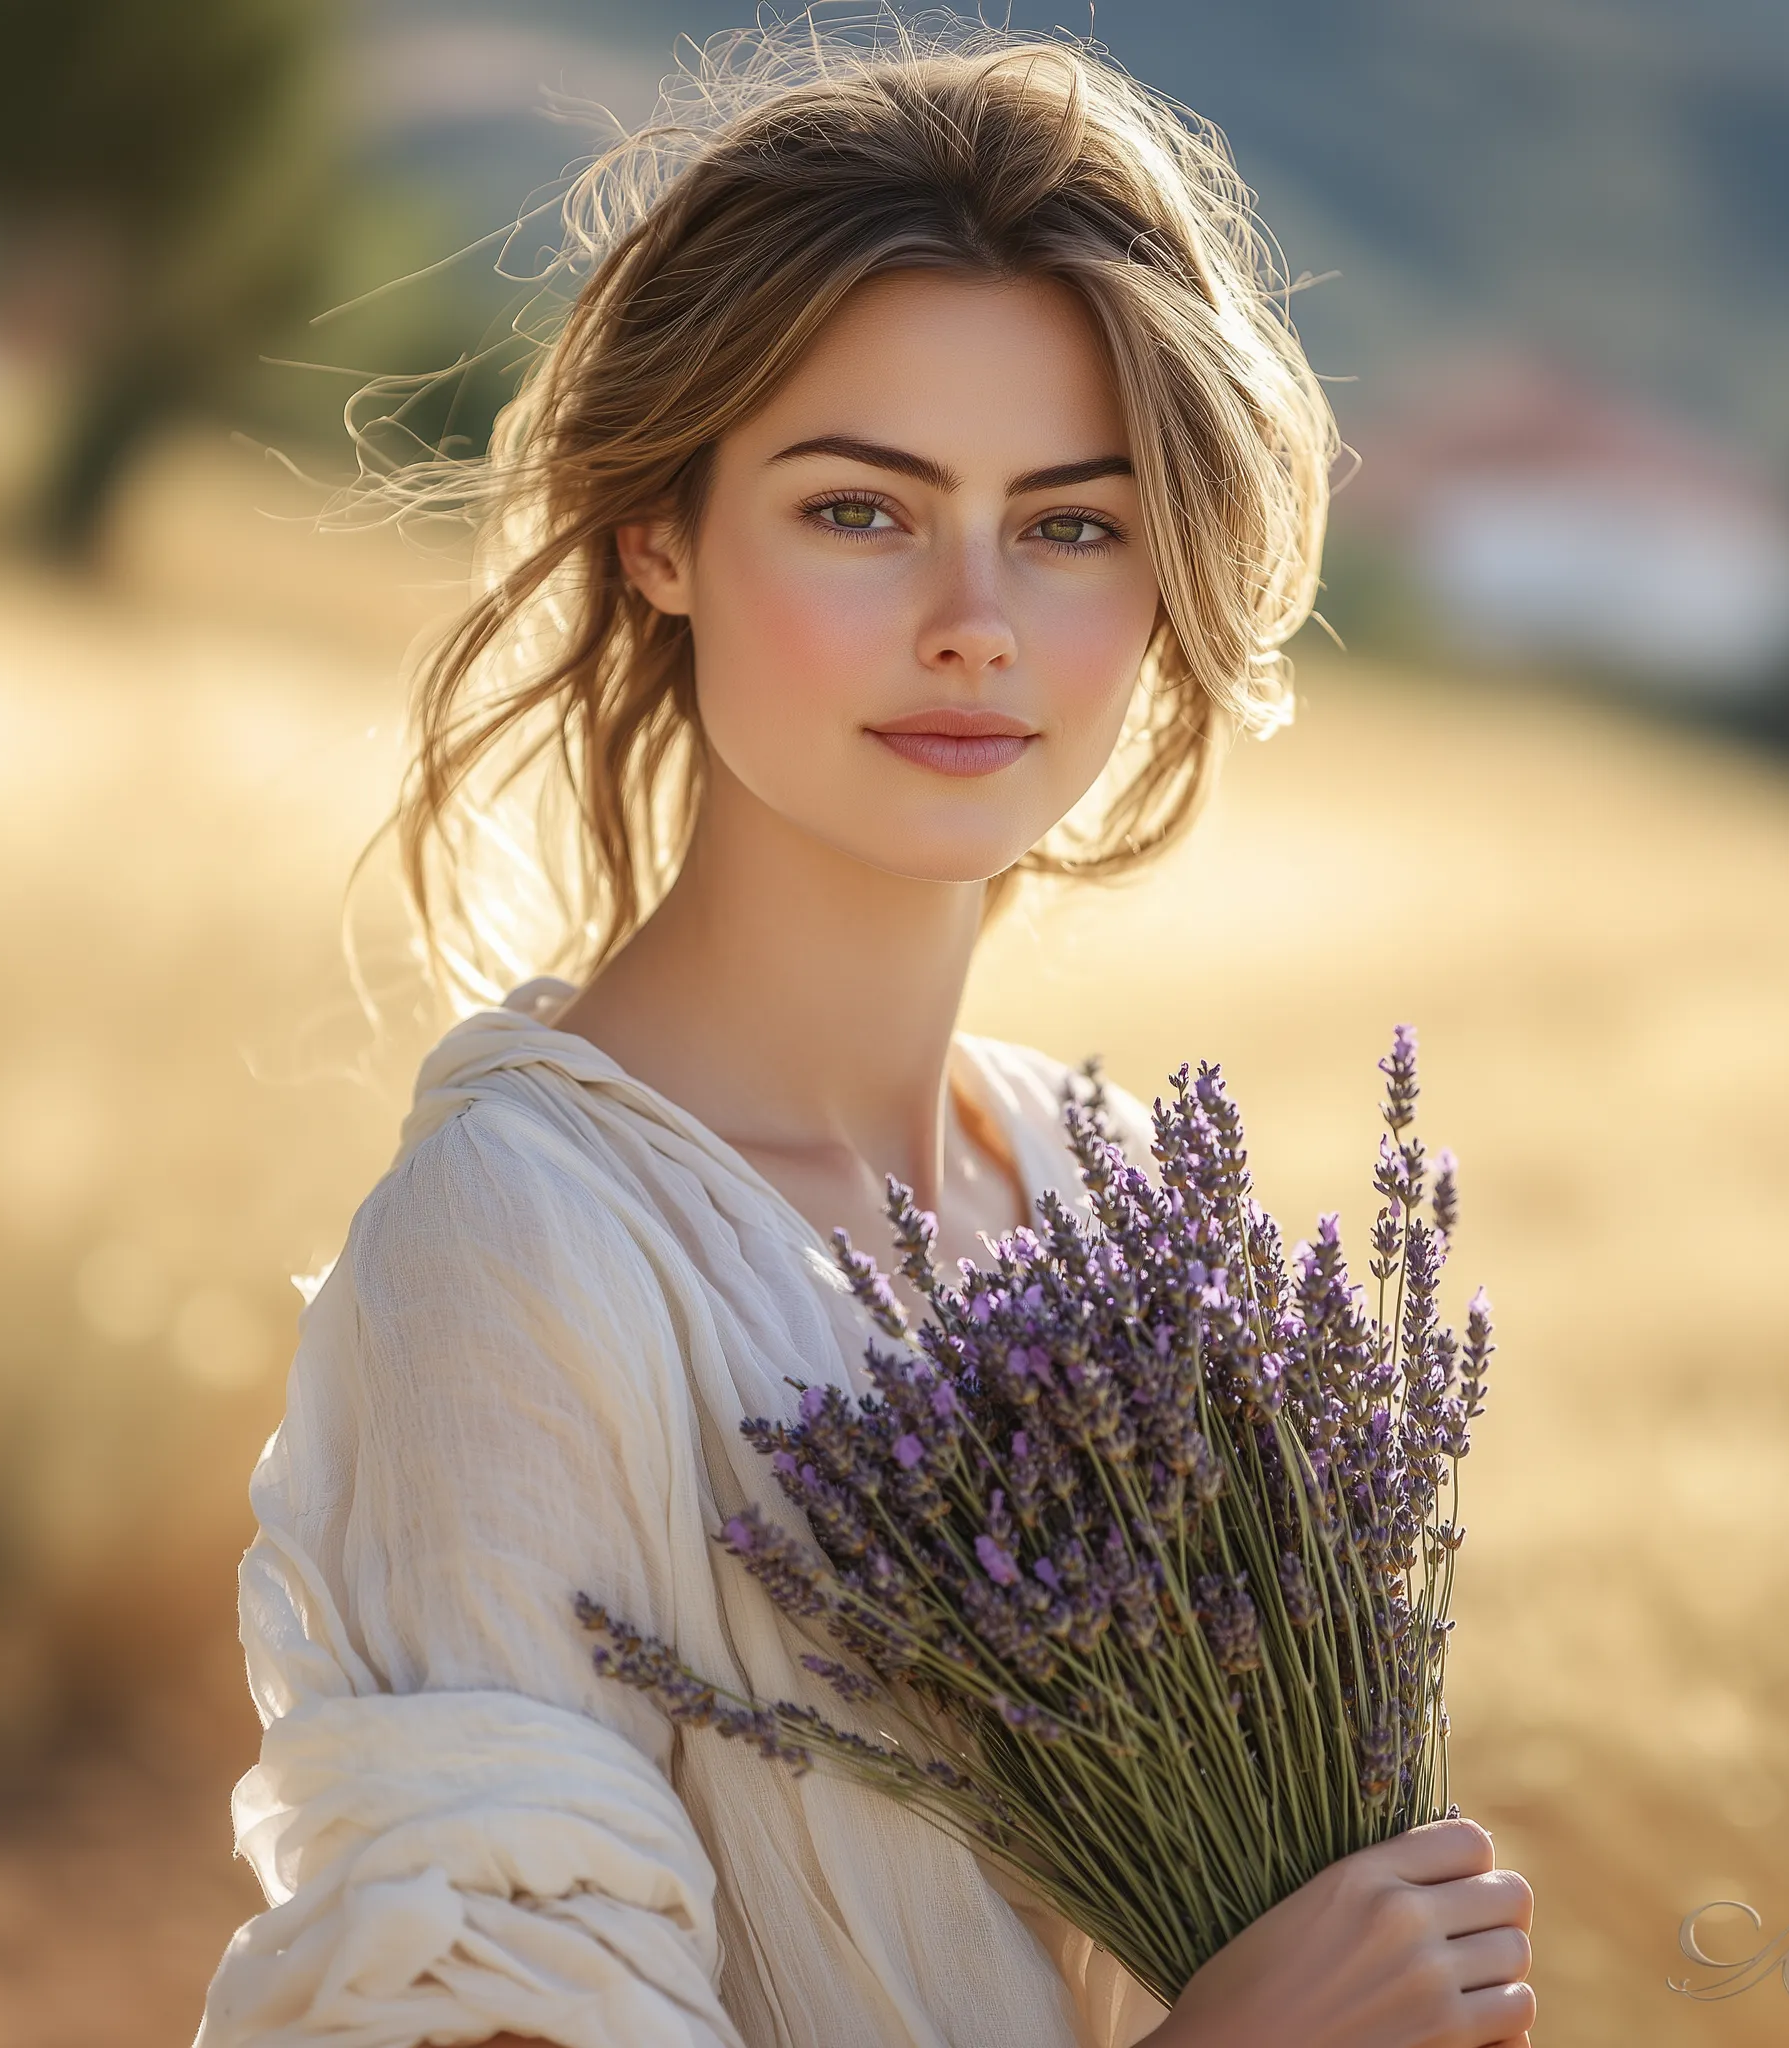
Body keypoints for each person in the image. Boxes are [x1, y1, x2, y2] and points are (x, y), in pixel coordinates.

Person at [196, 24, 1536, 2048]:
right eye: (859, 509)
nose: (976, 617)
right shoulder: (514, 1255)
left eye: (1071, 525)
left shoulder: (1106, 1200)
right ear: (657, 533)